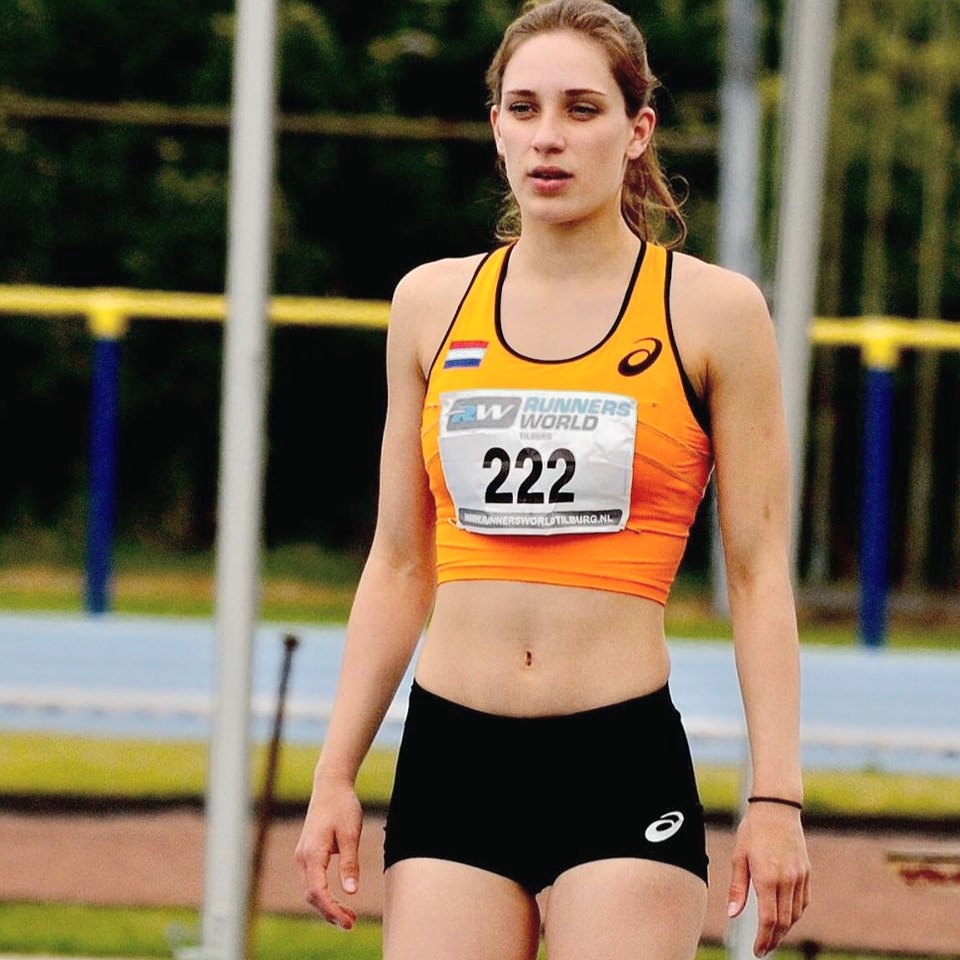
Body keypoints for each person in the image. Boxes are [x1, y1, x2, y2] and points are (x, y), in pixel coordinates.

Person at [295, 0, 811, 956]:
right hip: (453, 757)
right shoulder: (430, 303)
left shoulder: (714, 313)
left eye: (581, 109)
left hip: (617, 759)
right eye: (524, 109)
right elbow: (399, 564)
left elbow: (755, 572)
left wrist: (776, 796)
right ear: (496, 128)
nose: (549, 137)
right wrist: (335, 772)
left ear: (636, 129)